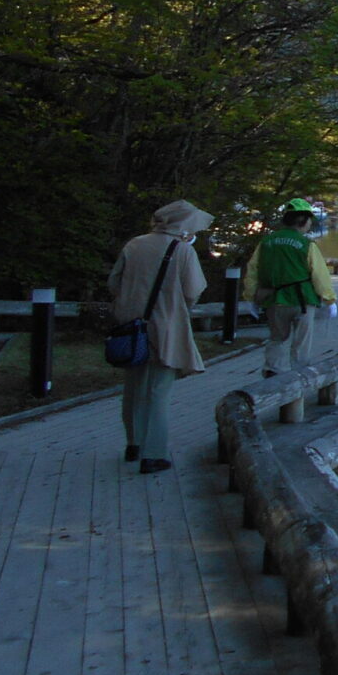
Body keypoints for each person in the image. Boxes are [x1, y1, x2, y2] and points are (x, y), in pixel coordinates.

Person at [107, 200, 211, 474]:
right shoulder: (182, 251)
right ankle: (154, 454)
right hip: (166, 327)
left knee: (133, 387)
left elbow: (113, 283)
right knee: (158, 391)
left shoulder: (134, 244)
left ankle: (134, 443)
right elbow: (194, 289)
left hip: (131, 326)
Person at [248, 198, 337, 377]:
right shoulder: (306, 244)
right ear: (303, 220)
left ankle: (272, 371)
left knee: (277, 338)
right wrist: (329, 299)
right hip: (302, 300)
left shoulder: (266, 242)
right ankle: (299, 374)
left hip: (273, 299)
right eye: (310, 220)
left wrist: (251, 297)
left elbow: (253, 270)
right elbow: (319, 275)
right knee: (301, 341)